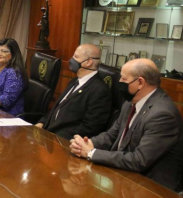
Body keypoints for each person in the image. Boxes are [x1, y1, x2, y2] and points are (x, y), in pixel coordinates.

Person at [69, 58, 183, 192]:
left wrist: (91, 153)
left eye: (123, 79)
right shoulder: (131, 102)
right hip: (123, 176)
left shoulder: (162, 114)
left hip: (152, 188)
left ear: (140, 82)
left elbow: (139, 160)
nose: (119, 83)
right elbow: (112, 134)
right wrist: (86, 144)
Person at [35, 44, 112, 140]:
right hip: (47, 135)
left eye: (76, 57)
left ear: (88, 62)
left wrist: (55, 138)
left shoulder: (99, 90)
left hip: (63, 142)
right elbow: (57, 108)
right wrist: (41, 123)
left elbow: (90, 128)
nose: (71, 60)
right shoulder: (74, 81)